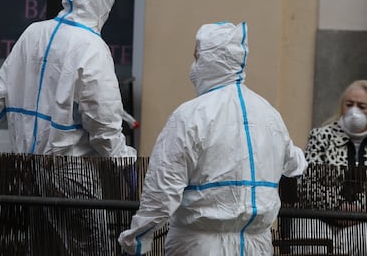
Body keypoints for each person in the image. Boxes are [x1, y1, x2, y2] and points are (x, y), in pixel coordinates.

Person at [0, 0, 136, 255]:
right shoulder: (92, 47)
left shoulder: (32, 34)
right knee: (92, 247)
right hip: (73, 176)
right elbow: (103, 125)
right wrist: (124, 164)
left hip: (27, 171)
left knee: (40, 245)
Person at [118, 21, 307, 255]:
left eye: (197, 57)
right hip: (257, 245)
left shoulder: (190, 115)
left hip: (199, 245)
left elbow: (162, 191)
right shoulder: (269, 115)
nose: (193, 65)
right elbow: (294, 163)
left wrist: (136, 240)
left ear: (209, 60)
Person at [292, 80, 367, 255]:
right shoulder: (321, 136)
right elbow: (308, 183)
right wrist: (338, 208)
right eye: (349, 104)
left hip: (362, 220)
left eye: (361, 106)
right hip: (319, 217)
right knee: (309, 237)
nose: (354, 111)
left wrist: (359, 211)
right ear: (341, 106)